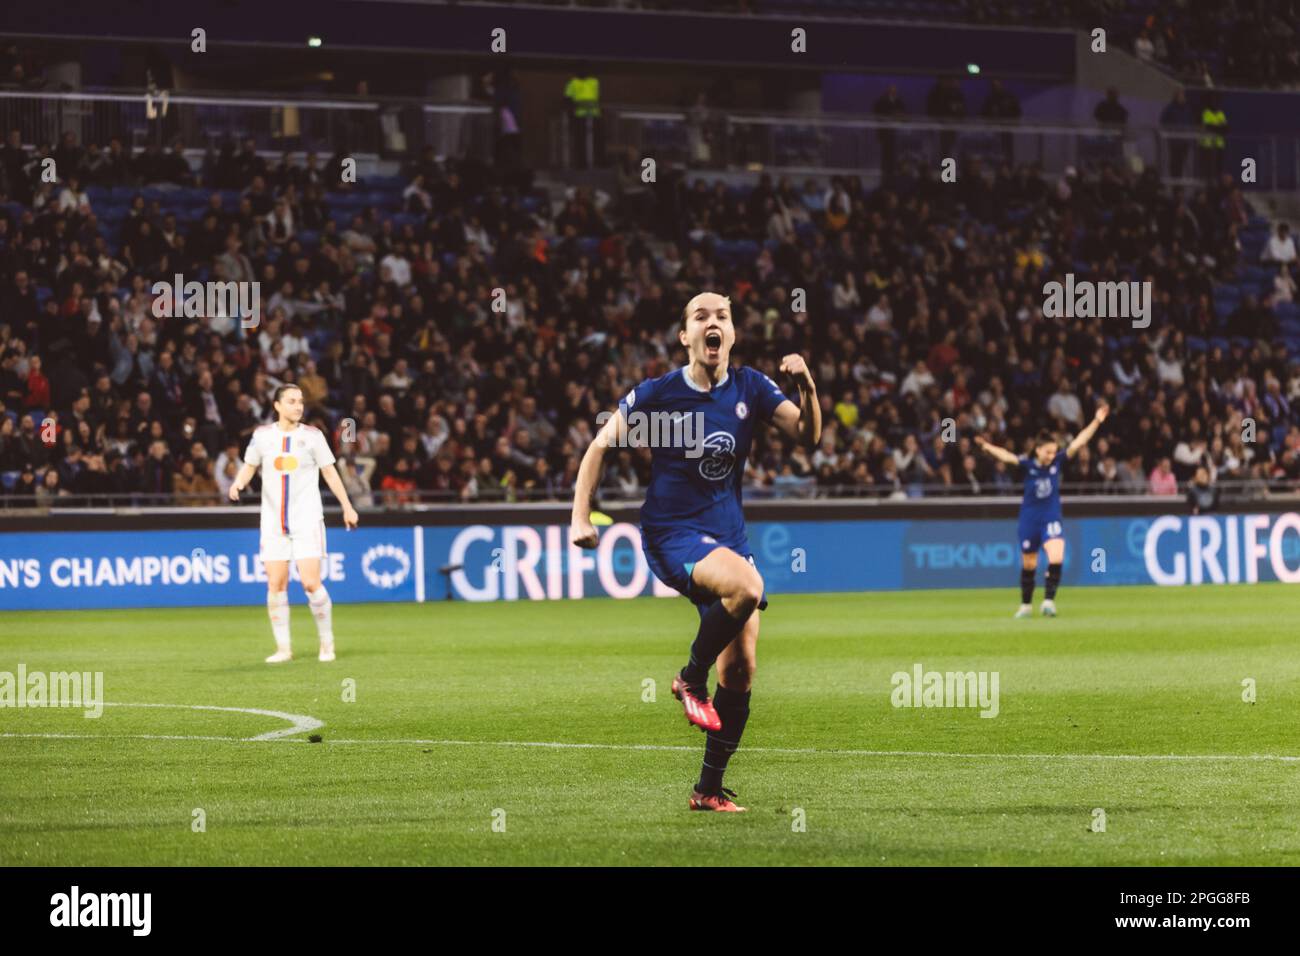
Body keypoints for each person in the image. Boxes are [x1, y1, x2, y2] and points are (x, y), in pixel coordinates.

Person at [569, 291, 821, 812]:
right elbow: (600, 444)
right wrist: (579, 514)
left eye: (722, 316)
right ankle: (688, 677)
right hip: (672, 533)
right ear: (685, 336)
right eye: (700, 317)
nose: (713, 323)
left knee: (743, 668)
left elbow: (807, 435)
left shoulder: (752, 387)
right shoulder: (660, 394)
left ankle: (707, 789)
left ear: (731, 333)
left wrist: (808, 386)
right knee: (749, 587)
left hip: (728, 536)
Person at [227, 384, 359, 663]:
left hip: (307, 520)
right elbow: (250, 465)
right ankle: (284, 649)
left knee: (311, 583)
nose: (298, 406)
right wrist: (238, 483)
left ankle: (327, 643)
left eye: (300, 402)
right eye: (291, 401)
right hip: (273, 523)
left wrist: (347, 506)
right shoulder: (262, 436)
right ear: (277, 406)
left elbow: (331, 474)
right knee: (276, 584)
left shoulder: (313, 437)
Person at [975, 401, 1109, 618]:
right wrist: (986, 446)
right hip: (1029, 519)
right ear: (1038, 450)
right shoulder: (1028, 465)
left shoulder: (1057, 462)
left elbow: (1079, 441)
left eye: (1053, 452)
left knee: (1056, 557)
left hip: (1050, 517)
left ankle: (1048, 602)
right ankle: (1026, 605)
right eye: (1047, 452)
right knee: (1029, 564)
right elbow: (1007, 456)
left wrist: (1096, 421)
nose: (1050, 456)